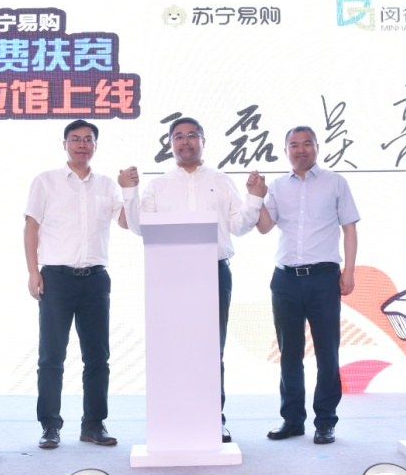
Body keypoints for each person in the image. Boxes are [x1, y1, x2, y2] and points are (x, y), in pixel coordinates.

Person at [121, 116, 265, 444]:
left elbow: (239, 226)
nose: (185, 142)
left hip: (214, 271)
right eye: (178, 137)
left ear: (203, 140)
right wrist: (129, 191)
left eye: (191, 136)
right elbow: (139, 228)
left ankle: (214, 419)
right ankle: (173, 418)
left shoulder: (221, 181)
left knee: (211, 349)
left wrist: (254, 198)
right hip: (169, 274)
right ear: (170, 143)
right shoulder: (157, 185)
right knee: (171, 348)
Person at [24, 119, 130, 450]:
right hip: (56, 278)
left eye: (88, 139)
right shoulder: (46, 181)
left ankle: (93, 424)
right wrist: (33, 271)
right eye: (75, 139)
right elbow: (31, 227)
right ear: (65, 144)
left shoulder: (108, 185)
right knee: (51, 357)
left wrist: (129, 190)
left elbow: (127, 222)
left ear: (96, 146)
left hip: (95, 279)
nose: (82, 144)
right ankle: (50, 426)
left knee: (97, 357)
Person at [252, 126, 359, 445]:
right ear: (286, 150)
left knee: (327, 352)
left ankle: (325, 420)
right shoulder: (276, 187)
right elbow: (264, 227)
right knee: (289, 353)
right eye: (294, 145)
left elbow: (350, 229)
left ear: (317, 147)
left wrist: (349, 271)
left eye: (307, 144)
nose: (301, 150)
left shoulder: (335, 182)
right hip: (285, 279)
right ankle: (292, 419)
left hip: (324, 277)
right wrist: (257, 197)